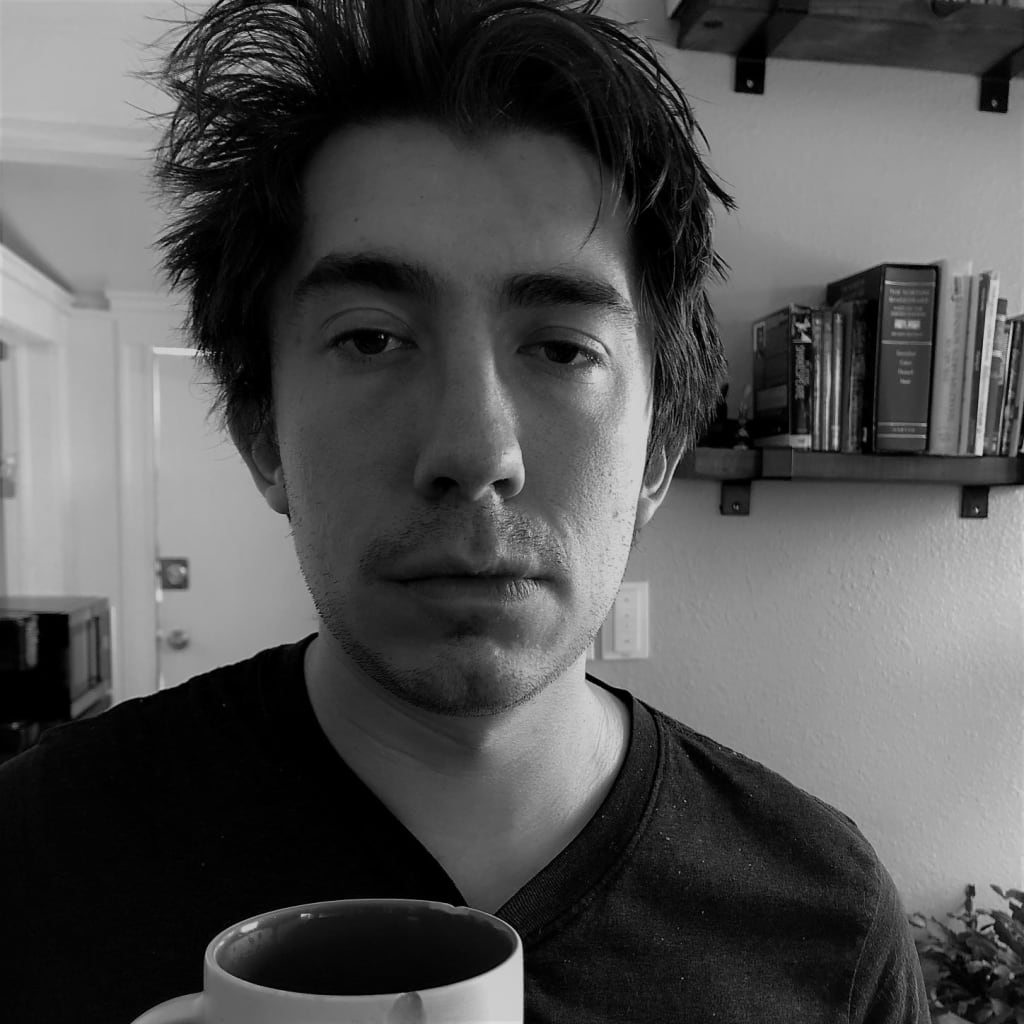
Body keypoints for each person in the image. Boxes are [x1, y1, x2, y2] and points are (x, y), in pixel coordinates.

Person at [0, 1, 930, 1021]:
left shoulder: (827, 922)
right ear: (263, 431)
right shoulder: (34, 855)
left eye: (563, 349)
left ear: (658, 451)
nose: (476, 453)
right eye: (370, 338)